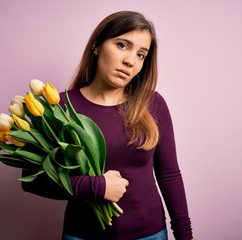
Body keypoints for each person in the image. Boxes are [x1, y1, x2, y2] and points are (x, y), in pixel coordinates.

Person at [22, 11, 194, 240]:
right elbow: (33, 179)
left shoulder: (152, 103)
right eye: (122, 45)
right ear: (96, 46)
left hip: (150, 234)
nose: (130, 61)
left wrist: (185, 235)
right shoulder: (59, 107)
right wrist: (95, 186)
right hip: (83, 235)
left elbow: (169, 175)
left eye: (141, 54)